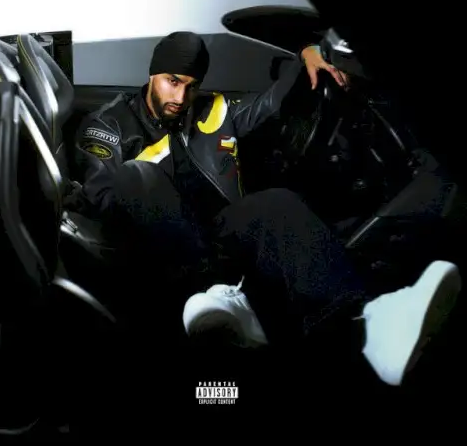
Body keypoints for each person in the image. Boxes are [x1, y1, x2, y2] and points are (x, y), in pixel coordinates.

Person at [72, 31, 461, 387]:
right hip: (165, 247)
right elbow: (103, 193)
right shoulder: (109, 125)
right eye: (172, 82)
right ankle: (218, 294)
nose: (181, 97)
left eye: (191, 86)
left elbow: (271, 104)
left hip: (221, 236)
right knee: (136, 175)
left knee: (277, 201)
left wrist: (307, 53)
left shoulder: (213, 110)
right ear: (153, 74)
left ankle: (371, 324)